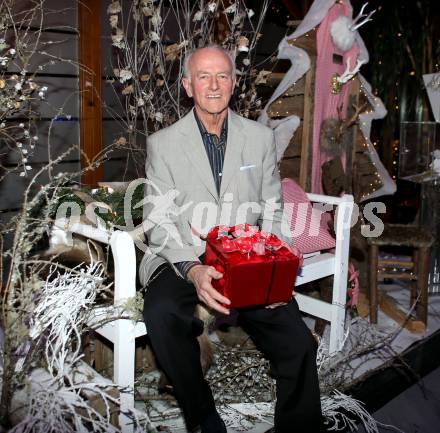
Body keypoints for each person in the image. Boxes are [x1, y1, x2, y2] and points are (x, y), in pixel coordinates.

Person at [140, 45, 323, 433]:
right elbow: (158, 221)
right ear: (187, 86)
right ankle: (204, 416)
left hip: (247, 258)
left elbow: (272, 209)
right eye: (203, 76)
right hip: (184, 256)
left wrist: (273, 265)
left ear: (234, 83)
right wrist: (192, 269)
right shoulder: (163, 144)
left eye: (222, 75)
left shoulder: (259, 138)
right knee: (161, 312)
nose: (213, 85)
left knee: (299, 344)